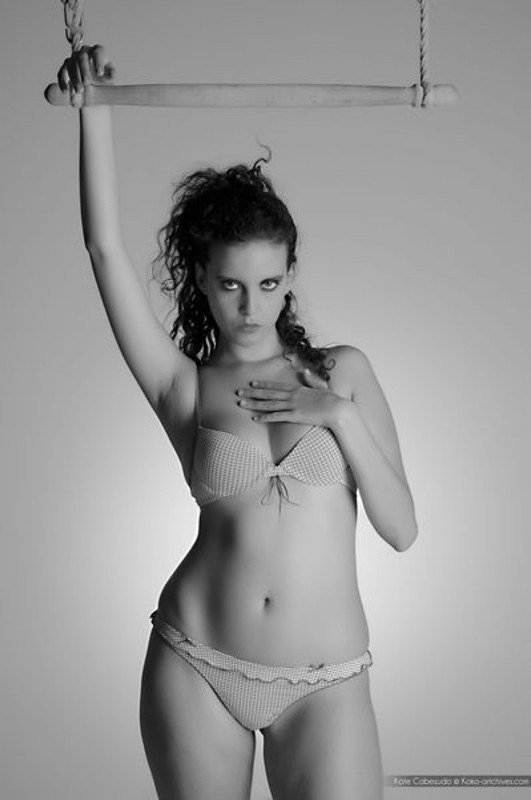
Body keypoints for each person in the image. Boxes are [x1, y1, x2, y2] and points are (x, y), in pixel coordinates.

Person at [56, 43, 418, 800]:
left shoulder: (344, 373)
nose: (253, 307)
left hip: (325, 680)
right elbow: (103, 249)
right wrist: (94, 112)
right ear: (200, 277)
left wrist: (337, 416)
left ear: (289, 276)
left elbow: (401, 528)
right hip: (196, 663)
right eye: (230, 285)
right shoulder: (182, 386)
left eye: (269, 283)